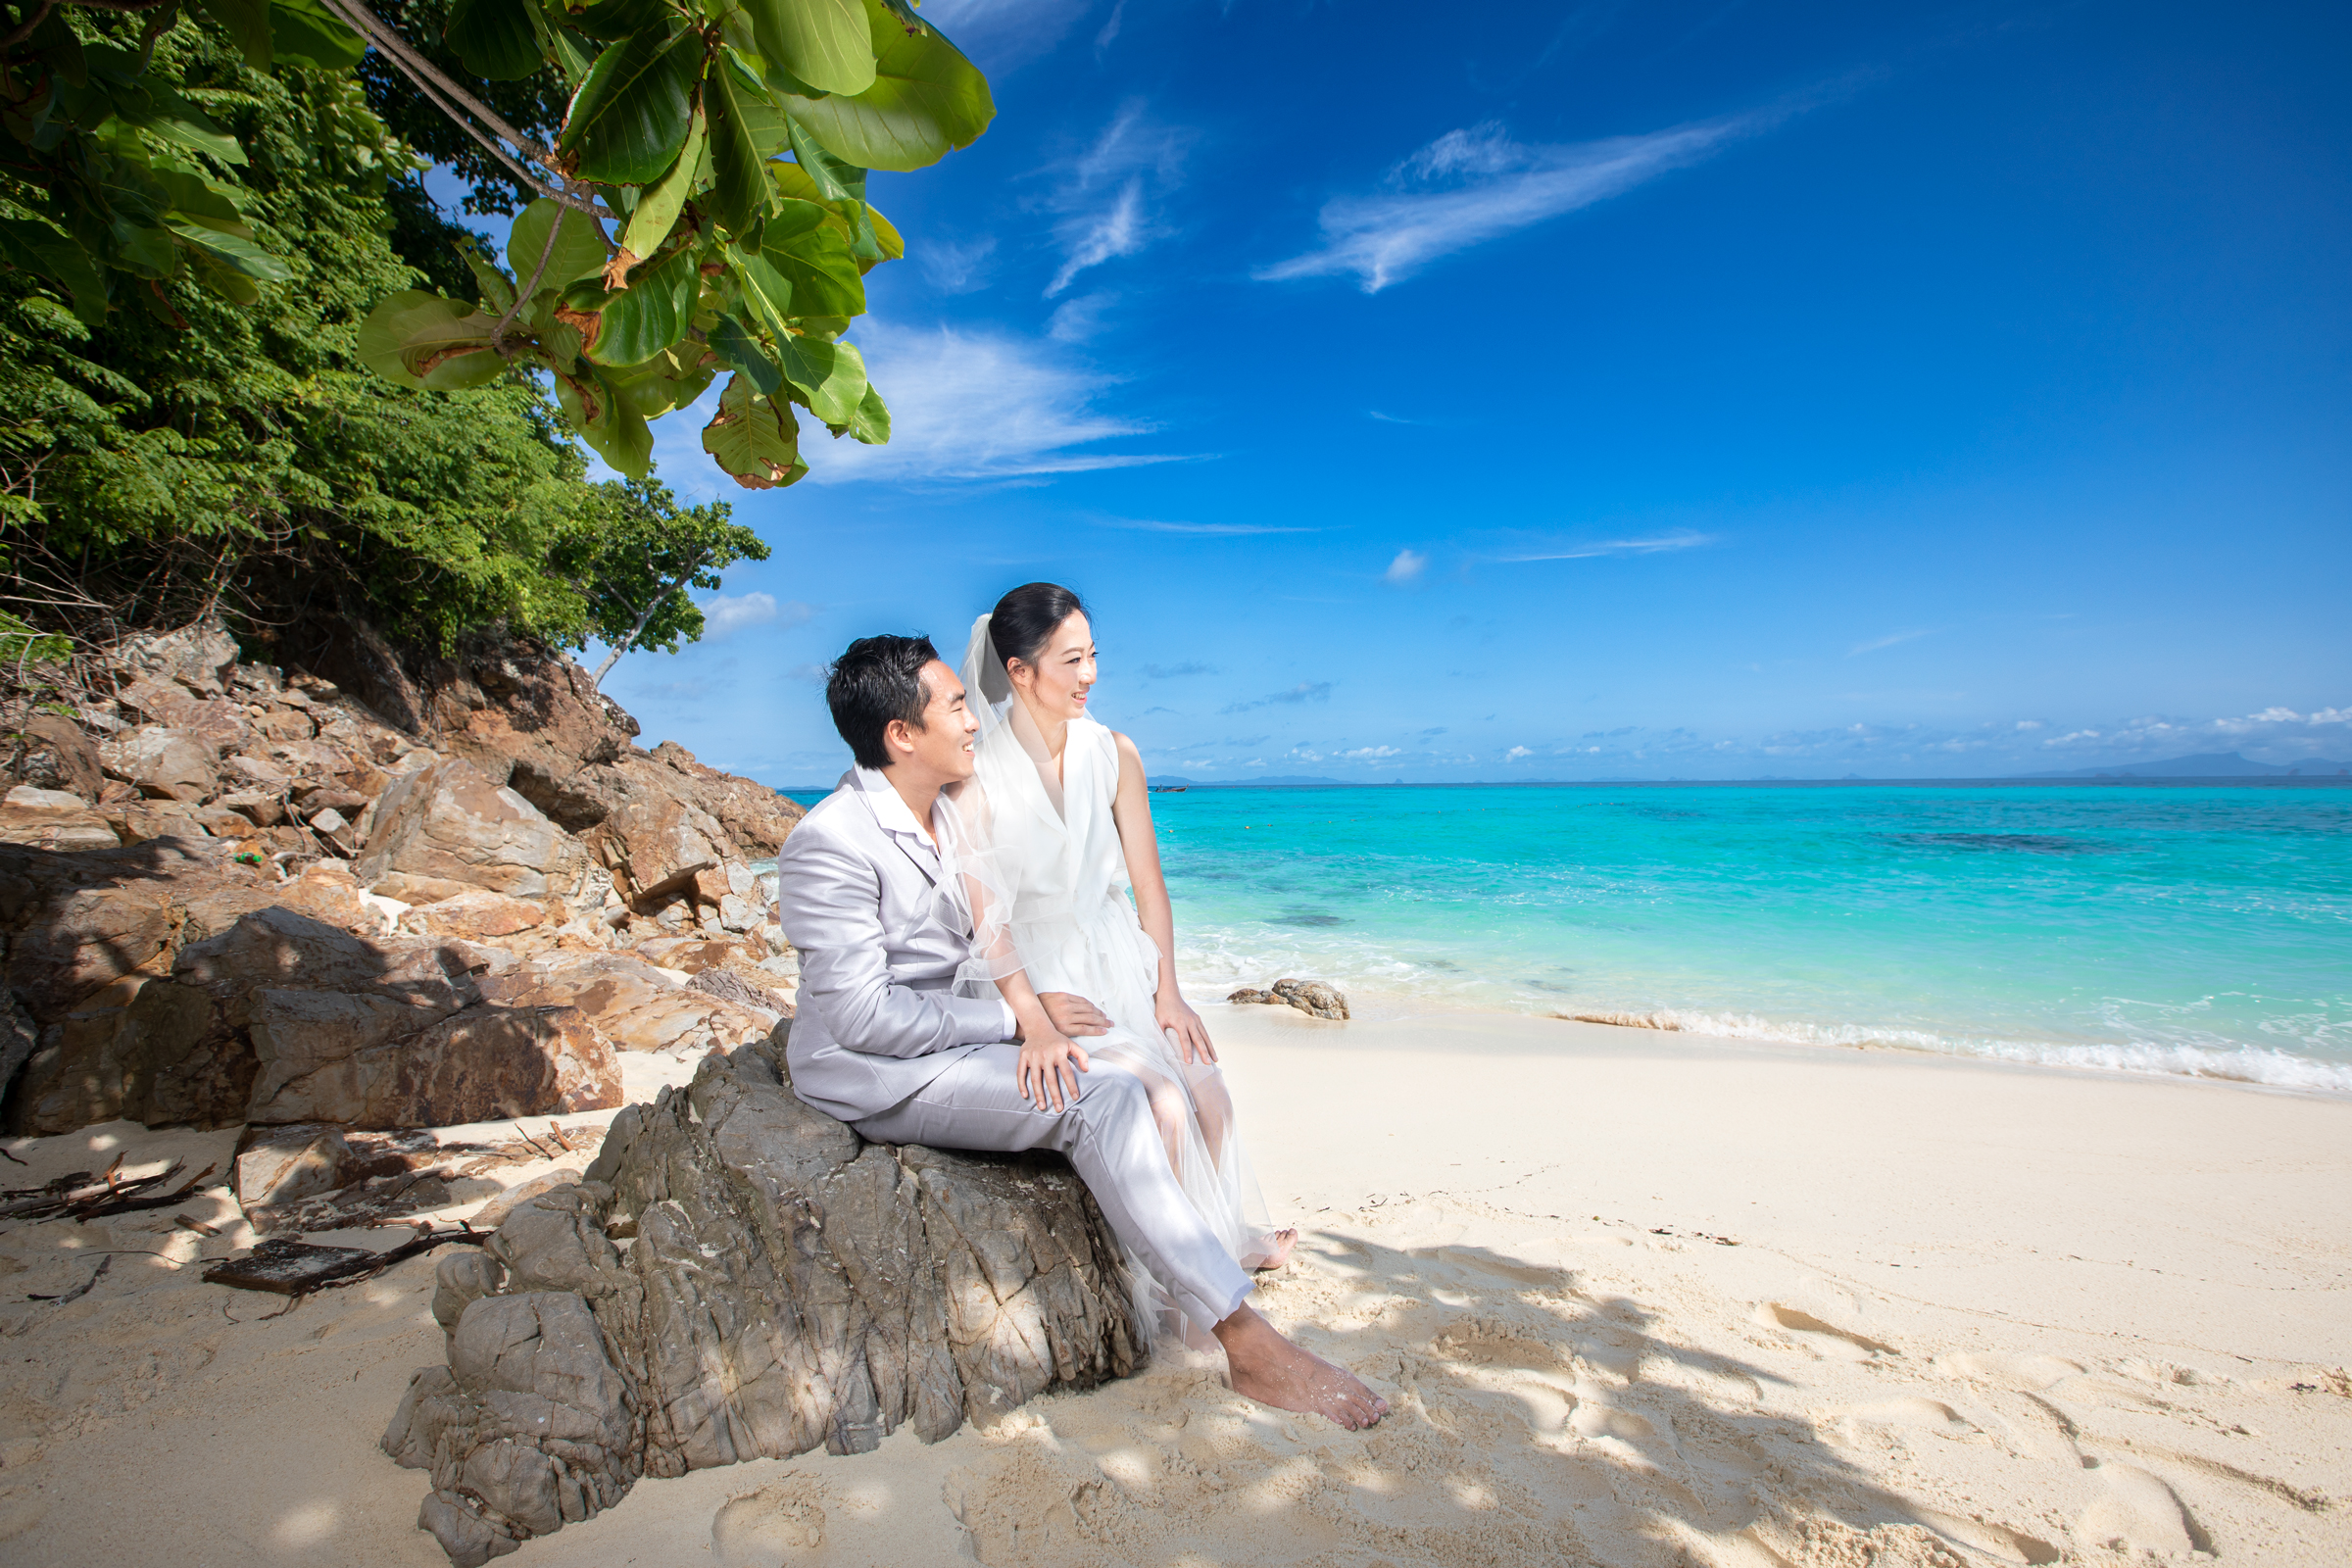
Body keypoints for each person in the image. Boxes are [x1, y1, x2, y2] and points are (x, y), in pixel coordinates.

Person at [773, 633, 1386, 1430]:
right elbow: (862, 1018)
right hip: (881, 1071)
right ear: (901, 735)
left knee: (1138, 1080)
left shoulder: (945, 809)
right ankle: (1247, 1340)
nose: (973, 719)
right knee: (1101, 1100)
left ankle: (1213, 1285)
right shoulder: (830, 841)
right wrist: (1018, 1018)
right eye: (957, 705)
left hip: (962, 1037)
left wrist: (1047, 1011)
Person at [947, 584, 1296, 1347]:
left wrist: (1169, 990)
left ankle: (1226, 1239)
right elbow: (984, 916)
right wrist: (1032, 1014)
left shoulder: (1115, 751)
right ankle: (1175, 1297)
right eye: (1072, 660)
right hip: (1035, 970)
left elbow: (1147, 883)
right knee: (1160, 1106)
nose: (1090, 674)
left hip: (1114, 953)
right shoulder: (977, 768)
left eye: (1094, 655)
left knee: (1212, 1098)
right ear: (1021, 670)